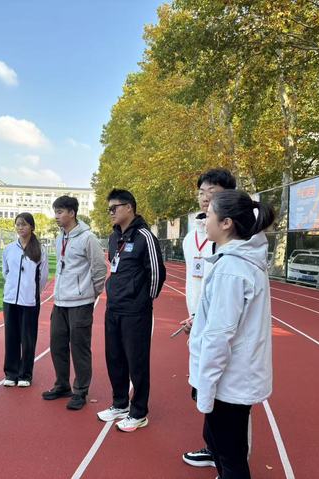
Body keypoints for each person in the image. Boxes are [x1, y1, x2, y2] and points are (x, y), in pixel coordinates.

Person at [189, 190, 275, 479]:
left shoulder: (231, 269)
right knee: (226, 449)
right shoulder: (240, 262)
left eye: (208, 215)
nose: (204, 221)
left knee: (230, 457)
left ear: (226, 223)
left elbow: (219, 336)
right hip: (236, 377)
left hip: (229, 381)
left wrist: (205, 388)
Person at [97, 189, 166, 432]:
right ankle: (120, 404)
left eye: (114, 208)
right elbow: (115, 268)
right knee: (114, 358)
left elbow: (157, 273)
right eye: (109, 209)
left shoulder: (145, 236)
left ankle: (139, 412)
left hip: (136, 311)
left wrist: (143, 301)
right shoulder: (114, 237)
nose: (111, 212)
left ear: (129, 207)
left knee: (136, 362)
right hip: (114, 307)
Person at [181, 168, 236, 468]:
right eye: (201, 192)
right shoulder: (191, 238)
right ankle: (213, 448)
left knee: (229, 398)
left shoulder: (235, 238)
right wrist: (193, 315)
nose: (204, 198)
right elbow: (193, 283)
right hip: (198, 323)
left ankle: (232, 461)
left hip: (222, 325)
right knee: (203, 388)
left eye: (212, 192)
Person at [42, 196, 107, 410]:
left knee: (79, 348)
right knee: (57, 345)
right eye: (56, 212)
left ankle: (80, 391)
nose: (56, 216)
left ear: (72, 213)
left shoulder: (88, 238)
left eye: (60, 212)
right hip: (60, 301)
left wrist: (91, 292)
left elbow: (99, 268)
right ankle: (62, 385)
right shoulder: (60, 237)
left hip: (80, 302)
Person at [2, 213, 49, 387]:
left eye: (24, 224)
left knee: (28, 339)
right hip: (10, 300)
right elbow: (5, 272)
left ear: (32, 227)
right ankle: (11, 373)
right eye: (18, 224)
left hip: (29, 301)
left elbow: (43, 276)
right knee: (11, 337)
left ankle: (25, 375)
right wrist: (12, 288)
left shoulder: (40, 250)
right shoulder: (9, 249)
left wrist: (31, 290)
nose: (20, 227)